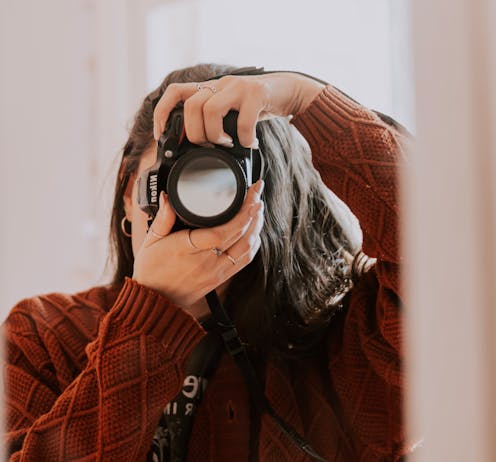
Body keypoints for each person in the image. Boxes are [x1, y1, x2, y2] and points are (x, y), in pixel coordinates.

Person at [3, 63, 415, 461]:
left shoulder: (345, 345)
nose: (192, 207)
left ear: (270, 203)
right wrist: (150, 317)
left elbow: (452, 255)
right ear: (130, 195)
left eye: (220, 184)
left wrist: (306, 98)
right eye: (173, 179)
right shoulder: (44, 339)